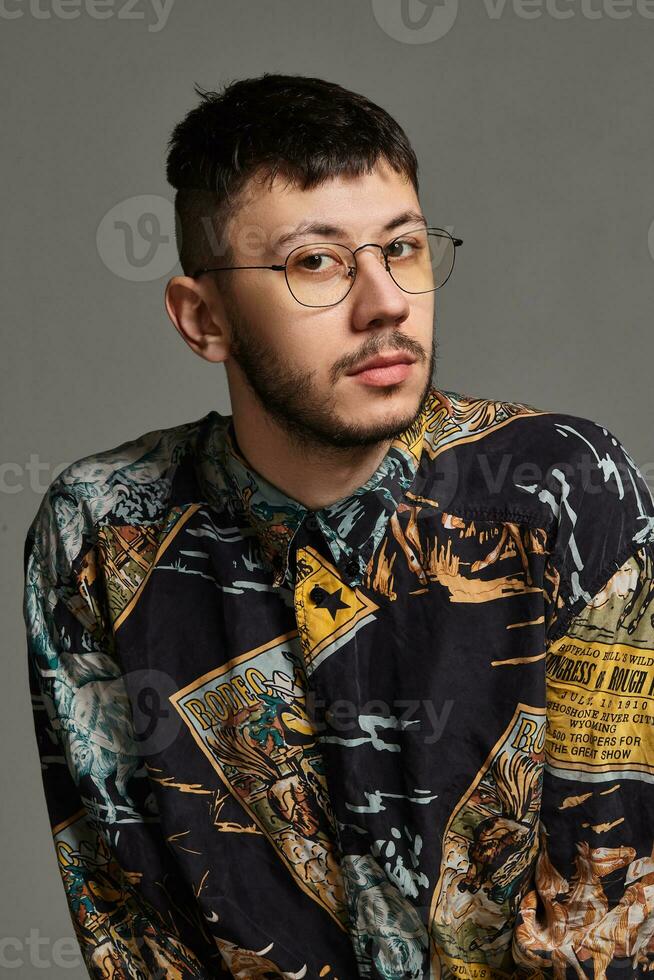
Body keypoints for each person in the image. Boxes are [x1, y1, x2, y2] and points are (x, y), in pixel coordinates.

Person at [22, 72, 654, 979]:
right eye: (315, 262)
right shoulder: (99, 537)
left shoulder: (563, 488)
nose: (386, 301)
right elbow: (132, 924)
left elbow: (619, 903)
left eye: (402, 248)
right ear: (204, 320)